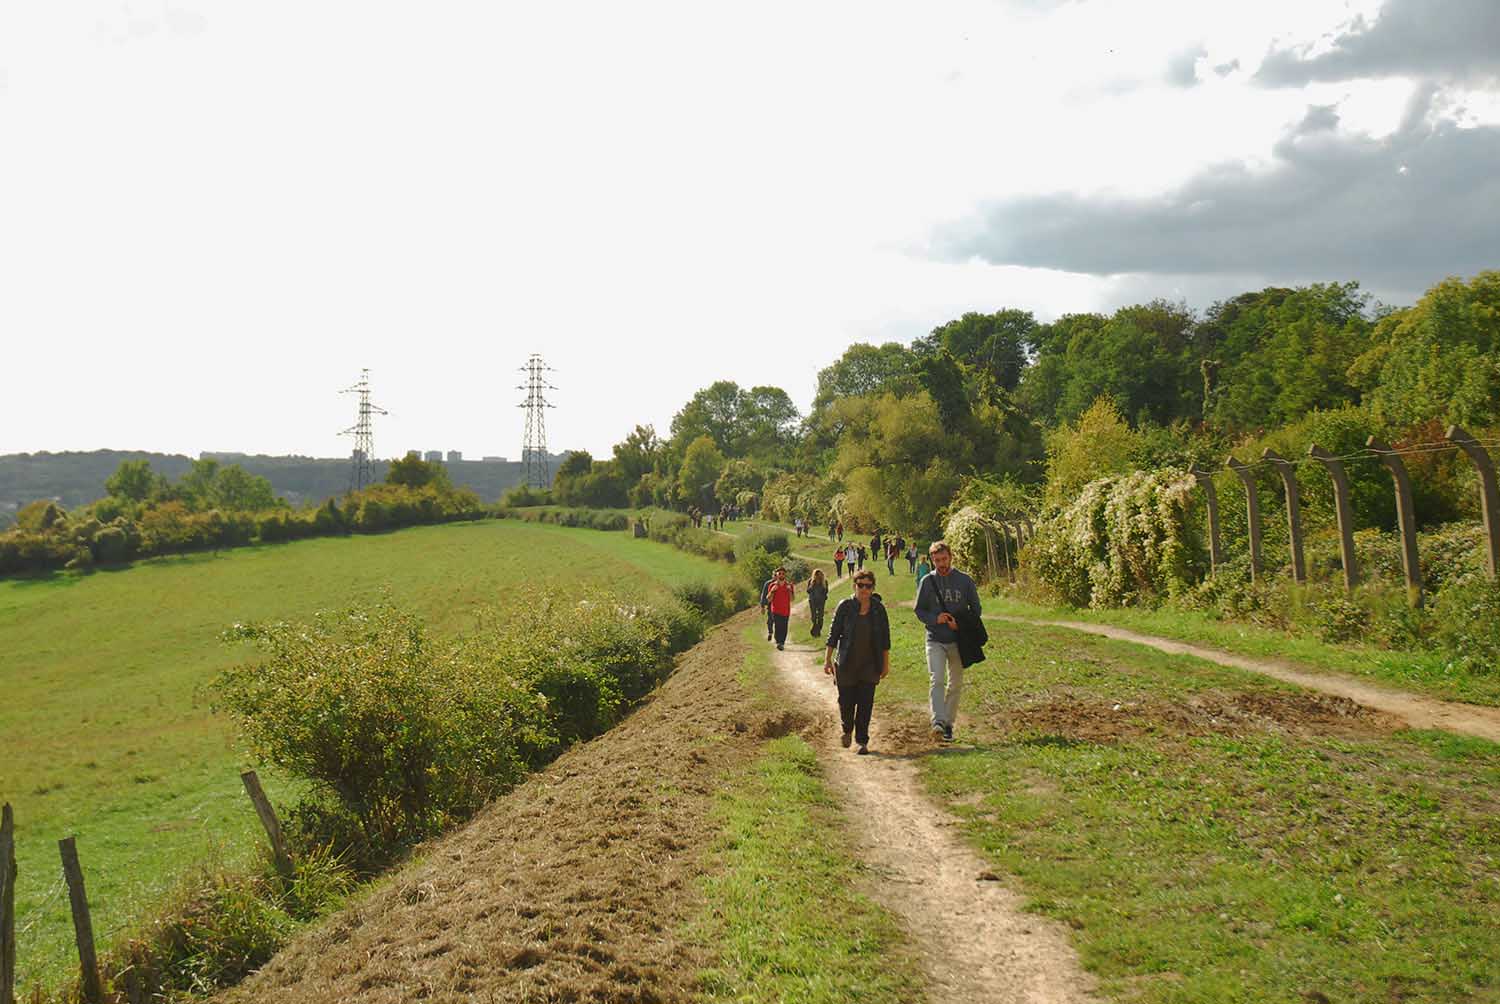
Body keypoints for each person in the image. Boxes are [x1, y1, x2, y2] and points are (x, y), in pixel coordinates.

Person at [914, 540, 982, 743]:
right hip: (934, 639)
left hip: (959, 641)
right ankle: (937, 722)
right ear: (932, 560)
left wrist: (958, 623)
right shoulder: (927, 581)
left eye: (944, 559)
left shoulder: (965, 581)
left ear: (951, 557)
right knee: (937, 679)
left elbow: (976, 610)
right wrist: (935, 619)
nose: (941, 564)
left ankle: (948, 724)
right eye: (937, 560)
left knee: (955, 683)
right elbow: (919, 610)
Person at [822, 568, 891, 755]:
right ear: (854, 586)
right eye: (861, 585)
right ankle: (847, 729)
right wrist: (828, 660)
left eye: (868, 586)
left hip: (870, 665)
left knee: (865, 704)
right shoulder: (845, 606)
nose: (864, 589)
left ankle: (862, 741)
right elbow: (833, 635)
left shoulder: (878, 609)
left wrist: (885, 664)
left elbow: (885, 639)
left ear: (873, 588)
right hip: (846, 664)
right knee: (846, 702)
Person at [766, 567, 795, 650]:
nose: (781, 575)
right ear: (777, 575)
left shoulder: (789, 585)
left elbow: (792, 599)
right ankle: (778, 642)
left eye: (783, 573)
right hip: (775, 610)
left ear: (785, 575)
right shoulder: (772, 585)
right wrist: (772, 591)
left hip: (786, 610)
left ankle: (782, 642)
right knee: (778, 626)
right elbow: (769, 599)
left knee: (784, 627)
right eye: (779, 573)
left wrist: (790, 591)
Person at [807, 568, 829, 637]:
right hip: (812, 601)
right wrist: (811, 585)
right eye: (816, 574)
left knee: (820, 617)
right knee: (814, 617)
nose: (818, 576)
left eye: (820, 574)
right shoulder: (811, 581)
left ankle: (817, 631)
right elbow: (808, 591)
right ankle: (815, 630)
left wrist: (824, 595)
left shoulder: (824, 582)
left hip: (821, 601)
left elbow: (826, 591)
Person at [759, 573, 776, 641]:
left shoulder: (782, 583)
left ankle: (777, 635)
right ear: (772, 576)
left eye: (776, 575)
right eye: (774, 575)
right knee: (770, 619)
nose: (775, 577)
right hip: (770, 604)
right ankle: (770, 632)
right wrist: (762, 606)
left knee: (778, 620)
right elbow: (763, 595)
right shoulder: (768, 583)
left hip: (779, 605)